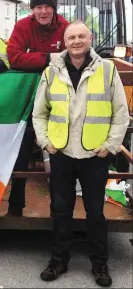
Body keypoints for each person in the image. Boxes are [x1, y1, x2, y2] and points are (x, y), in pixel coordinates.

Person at [32, 21, 129, 287]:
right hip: (61, 152)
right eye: (71, 37)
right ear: (64, 41)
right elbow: (39, 113)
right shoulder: (51, 72)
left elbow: (121, 113)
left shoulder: (107, 70)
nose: (76, 41)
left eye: (81, 36)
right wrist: (46, 142)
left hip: (94, 154)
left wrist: (110, 146)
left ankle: (100, 264)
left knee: (95, 212)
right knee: (60, 210)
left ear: (91, 39)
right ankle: (58, 260)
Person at [6, 0, 70, 217]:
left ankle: (58, 209)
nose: (43, 11)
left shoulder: (65, 27)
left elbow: (72, 56)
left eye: (47, 6)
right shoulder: (23, 26)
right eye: (38, 6)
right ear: (33, 8)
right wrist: (48, 58)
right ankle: (15, 206)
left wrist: (31, 56)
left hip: (56, 102)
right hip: (26, 100)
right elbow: (13, 56)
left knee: (57, 155)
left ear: (54, 8)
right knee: (21, 152)